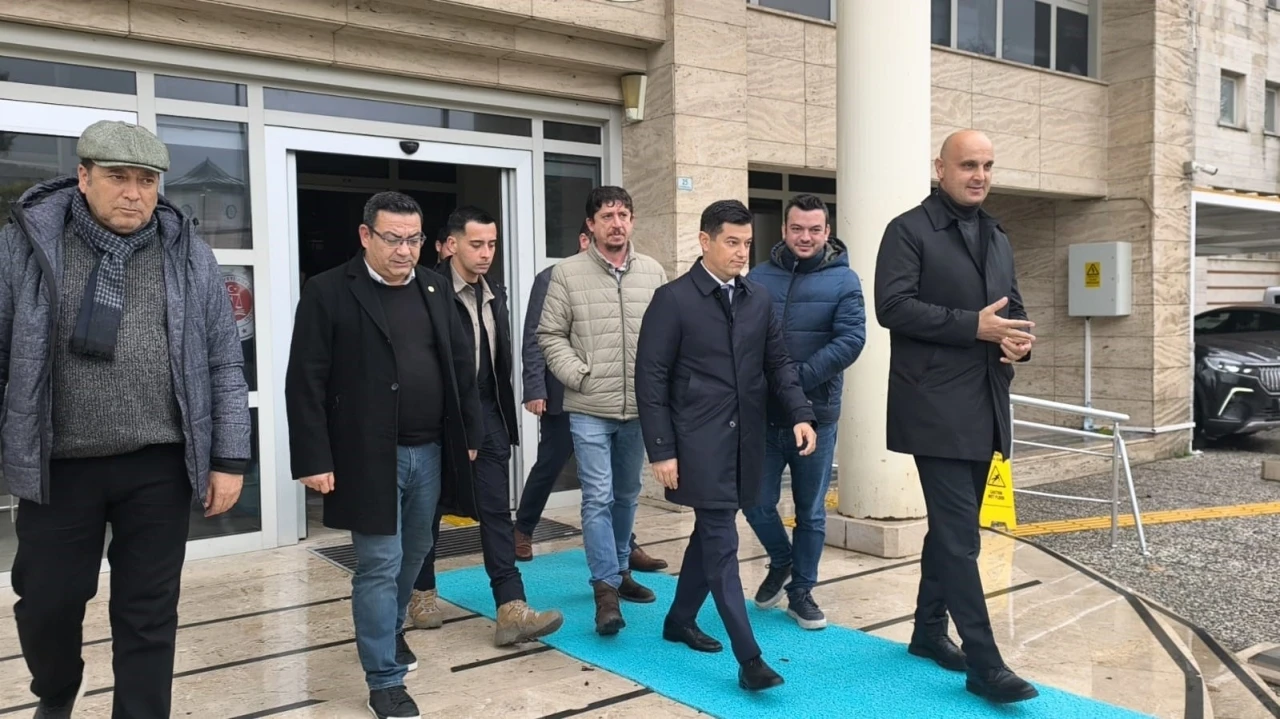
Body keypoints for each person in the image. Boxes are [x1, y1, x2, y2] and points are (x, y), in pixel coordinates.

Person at [0, 120, 251, 718]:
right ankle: (56, 689)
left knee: (149, 611)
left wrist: (229, 458)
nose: (134, 194)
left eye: (147, 180)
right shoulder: (24, 246)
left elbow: (223, 360)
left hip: (158, 465)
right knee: (47, 603)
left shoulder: (188, 252)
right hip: (59, 465)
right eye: (118, 177)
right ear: (84, 177)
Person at [284, 191, 483, 719]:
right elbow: (305, 380)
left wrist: (469, 433)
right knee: (379, 563)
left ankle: (389, 630)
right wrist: (313, 457)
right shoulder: (328, 291)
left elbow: (460, 367)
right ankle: (384, 680)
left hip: (431, 451)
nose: (404, 250)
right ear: (365, 235)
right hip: (367, 456)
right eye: (393, 239)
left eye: (413, 239)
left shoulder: (434, 288)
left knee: (416, 553)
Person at [873, 129, 1039, 704]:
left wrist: (1019, 343)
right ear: (940, 168)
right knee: (960, 536)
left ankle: (926, 632)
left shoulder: (998, 234)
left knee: (951, 530)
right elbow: (891, 307)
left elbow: (1013, 310)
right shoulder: (908, 230)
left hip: (986, 401)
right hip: (934, 406)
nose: (980, 175)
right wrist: (975, 326)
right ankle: (985, 665)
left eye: (988, 165)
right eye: (968, 164)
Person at [636, 199, 817, 691]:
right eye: (731, 242)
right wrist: (661, 449)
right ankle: (750, 658)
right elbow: (650, 379)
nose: (741, 252)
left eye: (747, 243)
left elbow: (779, 364)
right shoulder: (672, 300)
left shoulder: (758, 299)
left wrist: (801, 414)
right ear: (705, 241)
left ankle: (679, 620)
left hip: (746, 441)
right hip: (697, 442)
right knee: (722, 541)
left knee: (711, 532)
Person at [406, 205, 564, 645]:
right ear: (450, 245)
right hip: (440, 419)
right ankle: (421, 592)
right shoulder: (427, 291)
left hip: (489, 414)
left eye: (492, 244)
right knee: (428, 511)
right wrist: (456, 426)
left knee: (496, 512)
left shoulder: (495, 291)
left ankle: (512, 607)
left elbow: (497, 360)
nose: (486, 253)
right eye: (476, 244)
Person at [536, 186, 668, 635]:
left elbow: (668, 333)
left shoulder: (652, 271)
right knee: (597, 497)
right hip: (590, 406)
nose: (617, 223)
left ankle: (621, 570)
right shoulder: (567, 273)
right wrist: (578, 375)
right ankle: (605, 590)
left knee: (627, 494)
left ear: (632, 221)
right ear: (591, 225)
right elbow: (550, 334)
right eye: (607, 216)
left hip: (639, 408)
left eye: (624, 215)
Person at [510, 220, 668, 572]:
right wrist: (535, 388)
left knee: (618, 479)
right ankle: (523, 528)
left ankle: (624, 545)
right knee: (551, 463)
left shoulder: (633, 276)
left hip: (618, 397)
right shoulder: (554, 277)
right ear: (586, 237)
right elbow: (538, 336)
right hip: (565, 393)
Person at [744, 193, 865, 630]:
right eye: (797, 228)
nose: (806, 237)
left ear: (827, 232)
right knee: (755, 501)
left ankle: (801, 592)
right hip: (764, 414)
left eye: (815, 229)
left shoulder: (845, 280)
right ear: (783, 230)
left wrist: (794, 380)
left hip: (816, 414)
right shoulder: (758, 277)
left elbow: (851, 340)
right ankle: (782, 560)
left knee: (810, 511)